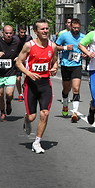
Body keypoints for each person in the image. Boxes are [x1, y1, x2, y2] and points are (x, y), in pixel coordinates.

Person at [16, 19, 58, 154]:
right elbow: (18, 62)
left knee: (45, 113)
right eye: (42, 29)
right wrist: (29, 73)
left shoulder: (52, 46)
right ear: (35, 32)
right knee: (32, 116)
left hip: (45, 84)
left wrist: (55, 68)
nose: (45, 31)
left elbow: (55, 61)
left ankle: (37, 142)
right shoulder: (29, 45)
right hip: (31, 84)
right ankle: (27, 119)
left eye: (47, 28)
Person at [0, 25, 21, 121]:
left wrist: (19, 57)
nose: (9, 35)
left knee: (9, 94)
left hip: (11, 72)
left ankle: (8, 102)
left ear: (13, 33)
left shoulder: (17, 42)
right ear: (3, 33)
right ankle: (2, 112)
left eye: (10, 33)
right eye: (7, 33)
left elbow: (23, 53)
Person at [56, 18, 85, 122]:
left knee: (76, 88)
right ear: (70, 26)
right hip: (66, 65)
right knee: (66, 89)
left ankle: (75, 113)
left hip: (77, 65)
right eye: (74, 28)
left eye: (78, 28)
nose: (76, 30)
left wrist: (85, 54)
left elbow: (87, 48)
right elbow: (55, 46)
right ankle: (65, 105)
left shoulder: (83, 37)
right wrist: (65, 48)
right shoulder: (64, 35)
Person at [13, 25, 33, 102]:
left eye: (24, 32)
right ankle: (20, 94)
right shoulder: (15, 38)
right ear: (18, 32)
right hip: (18, 59)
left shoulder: (28, 38)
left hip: (27, 59)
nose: (23, 34)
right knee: (18, 78)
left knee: (28, 76)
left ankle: (25, 86)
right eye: (21, 32)